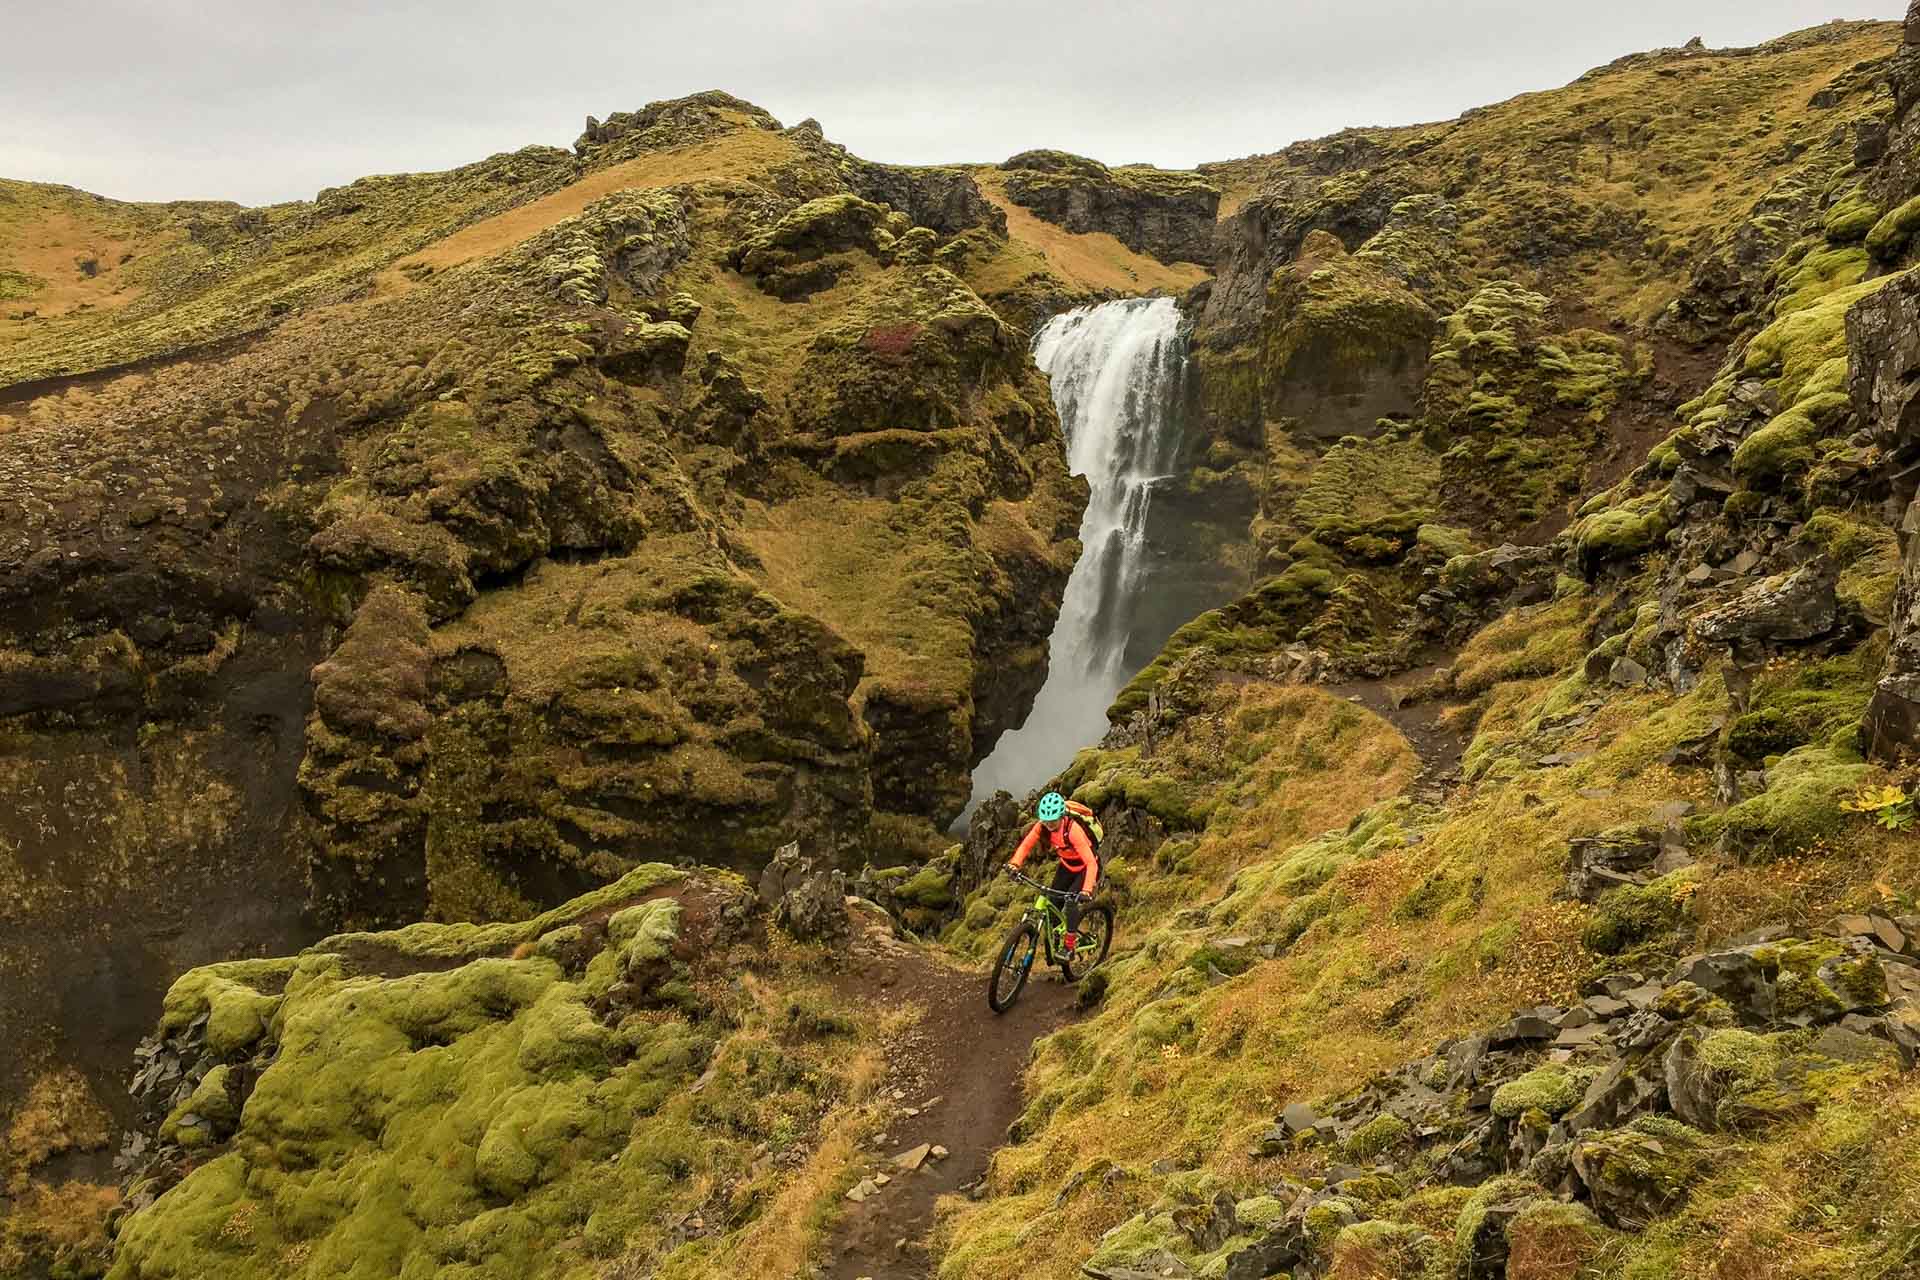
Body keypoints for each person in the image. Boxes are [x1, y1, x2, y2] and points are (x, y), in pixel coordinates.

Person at [1005, 791, 1098, 958]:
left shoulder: (1073, 831)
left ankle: (1069, 947)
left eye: (1053, 821)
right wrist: (1015, 864)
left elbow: (1091, 863)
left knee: (1070, 902)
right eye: (1045, 820)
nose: (1049, 824)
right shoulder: (1042, 826)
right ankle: (1056, 942)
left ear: (1061, 816)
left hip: (1085, 869)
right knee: (1053, 904)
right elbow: (1026, 845)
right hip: (1066, 866)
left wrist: (1086, 890)